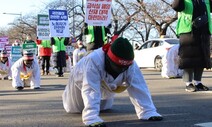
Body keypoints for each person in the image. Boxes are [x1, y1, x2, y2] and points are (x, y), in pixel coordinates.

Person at [62, 37, 163, 127]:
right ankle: (90, 114)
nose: (121, 70)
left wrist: (148, 111)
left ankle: (146, 111)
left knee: (104, 108)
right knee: (75, 108)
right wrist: (91, 117)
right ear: (108, 59)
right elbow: (90, 89)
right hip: (79, 80)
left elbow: (139, 86)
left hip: (106, 82)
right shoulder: (93, 61)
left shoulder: (131, 64)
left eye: (124, 68)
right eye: (118, 67)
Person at [172, 0, 212, 92]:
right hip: (188, 31)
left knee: (201, 58)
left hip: (204, 32)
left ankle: (198, 82)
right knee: (188, 58)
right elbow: (176, 6)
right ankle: (188, 83)